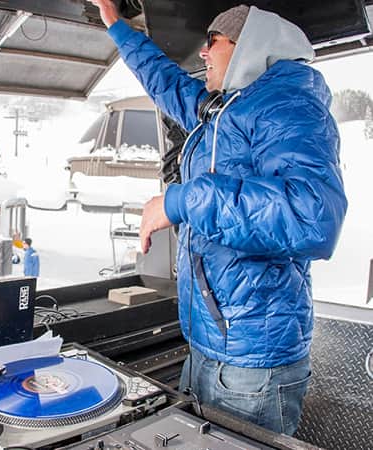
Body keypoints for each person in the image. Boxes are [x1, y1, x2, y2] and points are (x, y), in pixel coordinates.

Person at [91, 1, 346, 435]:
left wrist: (182, 201)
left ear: (250, 46)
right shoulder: (225, 111)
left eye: (213, 41)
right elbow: (166, 82)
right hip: (209, 346)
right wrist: (117, 26)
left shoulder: (288, 107)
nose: (203, 53)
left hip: (253, 363)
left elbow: (312, 216)